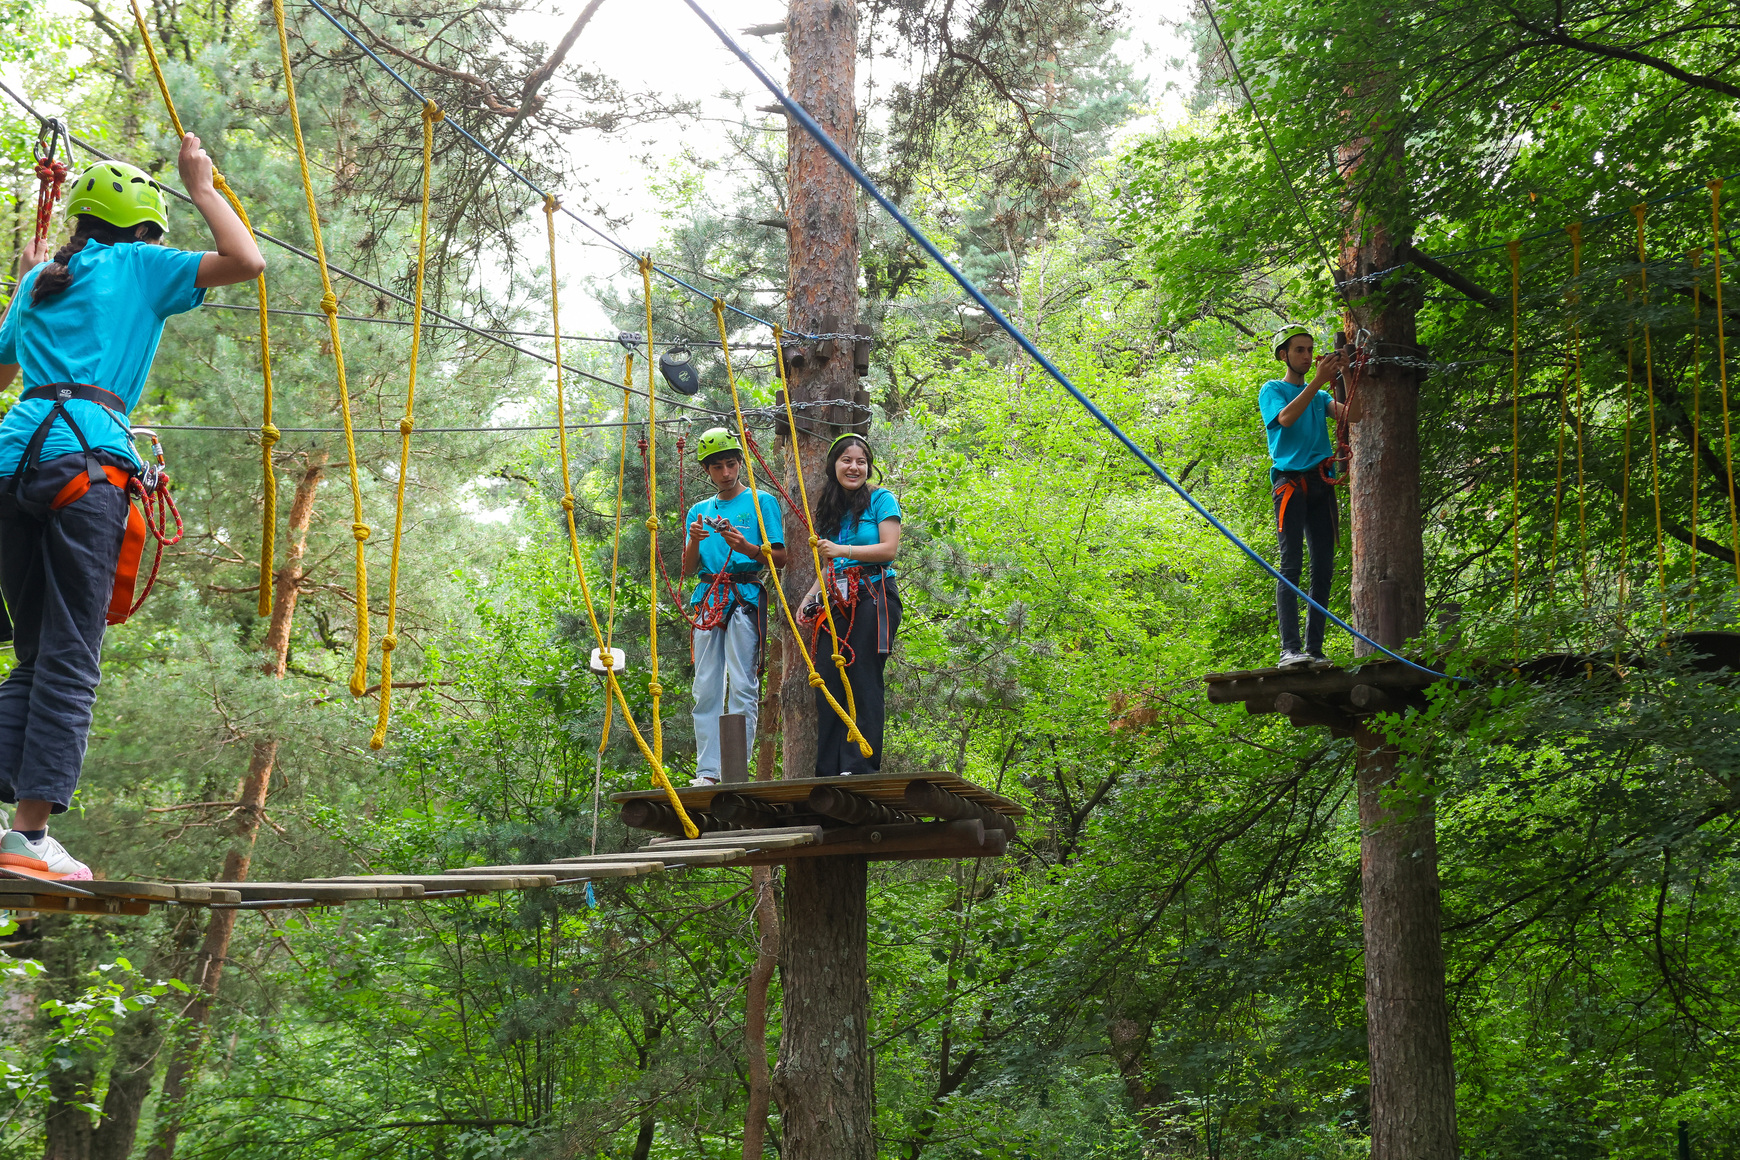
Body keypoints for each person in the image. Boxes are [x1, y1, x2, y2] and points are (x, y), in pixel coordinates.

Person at [0, 137, 265, 881]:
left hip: (12, 463)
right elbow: (247, 261)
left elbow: (0, 374)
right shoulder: (142, 265)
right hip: (86, 466)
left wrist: (23, 288)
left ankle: (14, 833)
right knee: (69, 656)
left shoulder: (40, 281)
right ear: (146, 228)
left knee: (34, 654)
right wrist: (203, 187)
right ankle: (28, 836)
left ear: (81, 220)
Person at [680, 428, 786, 786]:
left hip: (744, 598)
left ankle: (735, 770)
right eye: (717, 467)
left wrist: (748, 548)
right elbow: (688, 568)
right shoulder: (699, 511)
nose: (726, 473)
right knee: (705, 687)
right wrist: (695, 541)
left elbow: (780, 557)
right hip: (709, 599)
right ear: (706, 470)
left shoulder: (761, 502)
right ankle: (708, 772)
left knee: (742, 684)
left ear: (740, 462)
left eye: (731, 464)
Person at [1259, 326, 1363, 671]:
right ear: (1284, 355)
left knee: (1323, 568)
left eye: (1309, 350)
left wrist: (1346, 372)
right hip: (1290, 484)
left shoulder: (1319, 398)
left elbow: (1355, 415)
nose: (1306, 356)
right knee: (1291, 565)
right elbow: (1286, 419)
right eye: (1299, 350)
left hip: (1321, 484)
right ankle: (1289, 649)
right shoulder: (1273, 390)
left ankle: (1314, 649)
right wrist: (1318, 380)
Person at [800, 433, 901, 777]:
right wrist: (810, 597)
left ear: (869, 467)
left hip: (874, 593)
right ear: (834, 465)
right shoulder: (831, 507)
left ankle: (860, 766)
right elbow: (829, 566)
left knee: (861, 676)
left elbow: (888, 549)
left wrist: (844, 550)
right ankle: (829, 769)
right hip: (837, 597)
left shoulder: (881, 499)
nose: (854, 467)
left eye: (861, 461)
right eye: (847, 460)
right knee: (828, 678)